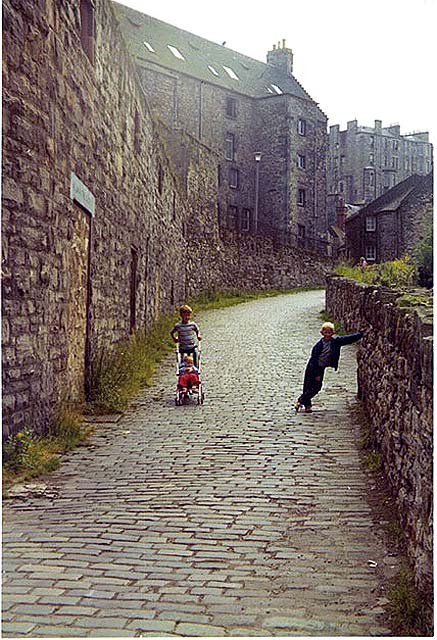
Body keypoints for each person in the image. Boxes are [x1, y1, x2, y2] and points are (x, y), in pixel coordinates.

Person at [294, 322, 363, 413]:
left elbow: (348, 339)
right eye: (325, 333)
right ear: (322, 333)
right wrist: (317, 373)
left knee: (315, 387)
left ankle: (303, 402)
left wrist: (360, 334)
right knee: (311, 387)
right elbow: (314, 360)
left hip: (321, 367)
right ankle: (303, 403)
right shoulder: (318, 346)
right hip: (313, 367)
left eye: (329, 333)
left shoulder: (335, 342)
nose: (327, 335)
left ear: (333, 333)